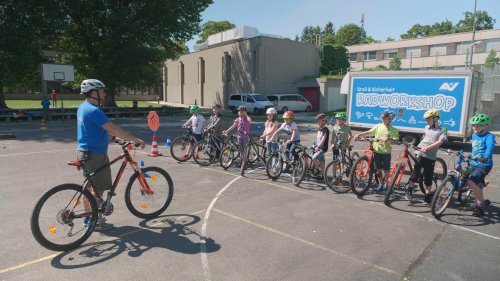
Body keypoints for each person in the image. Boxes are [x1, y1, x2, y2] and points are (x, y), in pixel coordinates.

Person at [77, 79, 145, 231]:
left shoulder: (82, 108)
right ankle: (95, 220)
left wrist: (114, 139)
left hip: (84, 153)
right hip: (95, 155)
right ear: (94, 92)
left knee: (89, 187)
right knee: (98, 189)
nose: (105, 93)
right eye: (102, 91)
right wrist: (134, 139)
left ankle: (87, 219)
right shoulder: (94, 111)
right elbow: (112, 128)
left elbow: (95, 131)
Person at [354, 109, 399, 194]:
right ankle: (380, 184)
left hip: (386, 153)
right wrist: (359, 134)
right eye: (382, 118)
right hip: (376, 152)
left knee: (386, 171)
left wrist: (388, 139)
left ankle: (386, 185)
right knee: (378, 170)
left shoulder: (394, 130)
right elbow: (369, 132)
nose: (383, 119)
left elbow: (395, 141)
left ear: (390, 119)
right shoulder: (378, 126)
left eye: (385, 118)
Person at [406, 109, 447, 203]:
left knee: (428, 176)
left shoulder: (442, 129)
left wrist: (428, 147)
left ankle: (428, 195)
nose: (427, 121)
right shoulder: (426, 127)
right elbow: (424, 139)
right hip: (420, 152)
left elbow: (440, 141)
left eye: (429, 119)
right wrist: (418, 147)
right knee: (415, 172)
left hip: (430, 155)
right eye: (426, 119)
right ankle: (409, 190)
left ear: (436, 119)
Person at [468, 114, 495, 217]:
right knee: (463, 176)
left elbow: (489, 148)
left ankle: (480, 203)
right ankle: (481, 182)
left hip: (484, 164)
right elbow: (476, 149)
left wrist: (485, 157)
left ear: (485, 126)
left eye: (477, 126)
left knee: (471, 181)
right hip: (474, 162)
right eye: (473, 125)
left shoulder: (489, 136)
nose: (474, 127)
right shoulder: (474, 135)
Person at [311, 113, 330, 178]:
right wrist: (315, 145)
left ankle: (317, 170)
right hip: (318, 147)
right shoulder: (319, 129)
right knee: (321, 161)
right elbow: (318, 139)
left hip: (322, 148)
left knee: (314, 158)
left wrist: (318, 147)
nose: (318, 122)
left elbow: (323, 140)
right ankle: (322, 175)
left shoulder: (326, 130)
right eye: (318, 121)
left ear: (324, 121)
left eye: (320, 121)